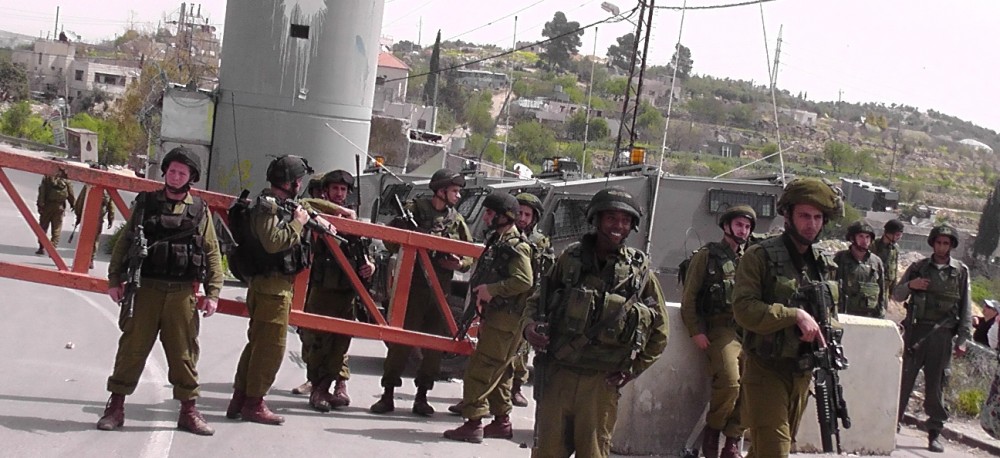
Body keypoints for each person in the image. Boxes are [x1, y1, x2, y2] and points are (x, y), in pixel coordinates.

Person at [523, 187, 668, 458]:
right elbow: (536, 301)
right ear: (596, 219)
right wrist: (529, 327)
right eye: (611, 218)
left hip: (601, 383)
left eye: (625, 220)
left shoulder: (638, 272)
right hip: (558, 374)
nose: (618, 226)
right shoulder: (570, 259)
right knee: (546, 451)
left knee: (594, 451)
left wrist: (633, 369)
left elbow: (660, 331)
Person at [96, 146, 222, 436]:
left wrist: (213, 293)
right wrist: (114, 279)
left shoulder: (199, 210)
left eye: (182, 173)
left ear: (191, 177)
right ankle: (115, 407)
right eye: (172, 171)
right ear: (165, 172)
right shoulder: (146, 204)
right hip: (145, 290)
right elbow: (125, 243)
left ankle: (188, 411)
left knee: (184, 355)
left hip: (181, 294)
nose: (176, 176)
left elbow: (212, 252)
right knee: (132, 350)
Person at [732, 177, 844, 458]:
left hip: (802, 371)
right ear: (788, 216)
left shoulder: (822, 264)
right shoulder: (760, 256)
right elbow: (743, 309)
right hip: (766, 369)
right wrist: (794, 315)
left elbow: (831, 316)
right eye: (804, 216)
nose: (811, 224)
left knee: (765, 450)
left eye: (818, 217)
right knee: (775, 451)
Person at [226, 154, 335, 426]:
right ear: (289, 182)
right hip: (271, 289)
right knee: (270, 349)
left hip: (272, 287)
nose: (300, 184)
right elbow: (273, 242)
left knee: (257, 346)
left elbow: (305, 207)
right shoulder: (267, 206)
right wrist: (298, 223)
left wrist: (316, 218)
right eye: (298, 180)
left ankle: (240, 399)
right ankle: (254, 403)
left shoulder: (283, 204)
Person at [370, 168, 473, 416]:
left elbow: (469, 252)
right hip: (412, 287)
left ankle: (422, 396)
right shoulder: (414, 210)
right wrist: (402, 228)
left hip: (440, 291)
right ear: (441, 191)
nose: (458, 196)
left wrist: (459, 263)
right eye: (455, 191)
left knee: (435, 347)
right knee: (400, 343)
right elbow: (390, 243)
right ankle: (388, 394)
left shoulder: (456, 220)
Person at [444, 192, 533, 443]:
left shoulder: (516, 246)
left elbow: (525, 280)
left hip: (506, 320)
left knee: (480, 369)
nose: (485, 217)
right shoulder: (499, 241)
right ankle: (501, 422)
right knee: (500, 372)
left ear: (505, 216)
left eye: (490, 213)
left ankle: (473, 423)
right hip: (498, 317)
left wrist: (491, 290)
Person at [680, 205, 756, 458]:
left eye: (747, 226)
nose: (743, 230)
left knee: (753, 384)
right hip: (721, 328)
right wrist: (695, 331)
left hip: (749, 330)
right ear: (726, 226)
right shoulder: (707, 256)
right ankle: (713, 431)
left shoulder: (752, 258)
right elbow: (689, 297)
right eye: (739, 225)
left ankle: (733, 439)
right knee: (730, 382)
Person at [894, 224, 972, 453]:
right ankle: (892, 423)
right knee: (904, 381)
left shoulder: (960, 272)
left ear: (951, 246)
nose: (941, 247)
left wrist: (963, 339)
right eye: (938, 242)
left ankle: (934, 433)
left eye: (946, 243)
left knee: (936, 386)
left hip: (942, 336)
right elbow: (897, 295)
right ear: (932, 243)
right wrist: (911, 285)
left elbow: (966, 307)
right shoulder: (918, 267)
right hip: (915, 333)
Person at [301, 170, 374, 412]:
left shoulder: (354, 220)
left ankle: (329, 386)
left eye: (343, 190)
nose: (339, 193)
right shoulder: (317, 213)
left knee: (340, 343)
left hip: (346, 290)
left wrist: (370, 266)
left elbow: (365, 251)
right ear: (326, 191)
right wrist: (337, 213)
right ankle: (317, 389)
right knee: (318, 342)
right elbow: (304, 203)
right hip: (322, 289)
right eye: (335, 189)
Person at [508, 192, 554, 407]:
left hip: (526, 301)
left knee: (521, 349)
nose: (522, 218)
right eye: (519, 213)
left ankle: (516, 387)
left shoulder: (540, 243)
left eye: (527, 215)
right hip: (504, 300)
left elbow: (547, 274)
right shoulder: (505, 235)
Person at [834, 221, 886, 318]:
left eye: (867, 237)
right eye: (861, 236)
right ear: (852, 238)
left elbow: (882, 292)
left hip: (869, 316)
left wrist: (881, 314)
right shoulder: (840, 258)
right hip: (844, 315)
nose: (865, 241)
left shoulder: (876, 262)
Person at [73, 184, 115, 268]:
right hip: (98, 218)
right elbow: (111, 205)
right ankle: (91, 259)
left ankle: (83, 259)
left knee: (84, 239)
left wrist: (78, 215)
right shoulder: (108, 187)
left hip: (87, 217)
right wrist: (111, 218)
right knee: (94, 240)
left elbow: (81, 200)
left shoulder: (88, 185)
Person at [35, 170, 76, 254]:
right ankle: (53, 248)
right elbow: (71, 194)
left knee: (43, 226)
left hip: (47, 206)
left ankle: (41, 247)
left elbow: (42, 192)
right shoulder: (66, 179)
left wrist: (40, 205)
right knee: (57, 228)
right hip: (59, 207)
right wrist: (73, 205)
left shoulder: (47, 177)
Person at [871, 219, 903, 292]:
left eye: (900, 235)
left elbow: (895, 268)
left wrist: (893, 289)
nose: (899, 237)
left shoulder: (895, 248)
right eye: (897, 235)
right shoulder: (874, 245)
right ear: (888, 233)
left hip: (887, 288)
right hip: (875, 286)